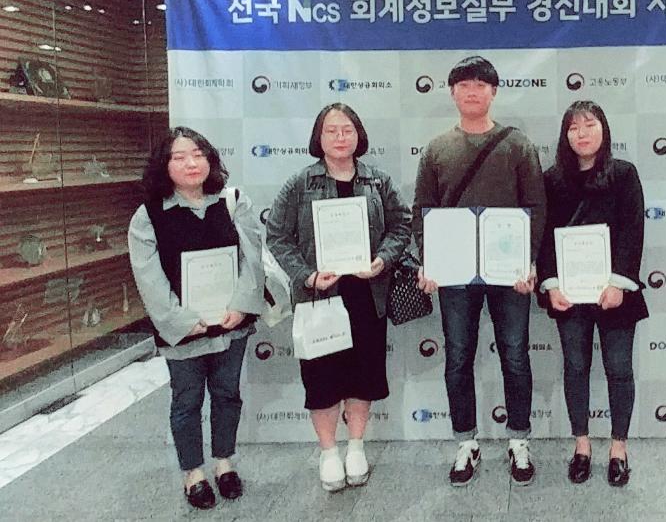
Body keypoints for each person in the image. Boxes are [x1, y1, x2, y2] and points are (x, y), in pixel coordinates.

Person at [413, 56, 546, 487]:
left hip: (509, 274)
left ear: (494, 92)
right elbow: (423, 210)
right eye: (464, 85)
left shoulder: (518, 146)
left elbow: (536, 207)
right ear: (452, 92)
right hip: (453, 274)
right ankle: (465, 442)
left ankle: (519, 439)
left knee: (516, 355)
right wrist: (429, 262)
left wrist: (529, 262)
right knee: (457, 357)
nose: (472, 91)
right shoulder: (437, 149)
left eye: (481, 84)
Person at [265, 103, 411, 492]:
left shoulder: (378, 180)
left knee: (364, 375)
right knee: (322, 379)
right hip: (319, 298)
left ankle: (356, 446)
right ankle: (329, 452)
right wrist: (307, 275)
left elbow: (401, 225)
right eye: (331, 130)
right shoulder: (300, 183)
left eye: (347, 129)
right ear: (319, 137)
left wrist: (383, 260)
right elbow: (277, 235)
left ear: (359, 135)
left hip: (367, 294)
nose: (340, 137)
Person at [128, 126, 264, 509]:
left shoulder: (233, 201)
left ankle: (224, 463)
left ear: (210, 160)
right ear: (164, 165)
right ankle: (193, 473)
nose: (191, 163)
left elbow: (252, 258)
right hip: (183, 331)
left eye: (198, 154)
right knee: (187, 401)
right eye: (179, 156)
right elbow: (149, 278)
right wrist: (183, 321)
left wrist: (242, 305)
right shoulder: (148, 216)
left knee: (227, 394)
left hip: (231, 323)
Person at [536, 100, 648, 487]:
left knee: (619, 368)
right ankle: (581, 446)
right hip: (570, 293)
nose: (582, 133)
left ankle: (619, 449)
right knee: (575, 366)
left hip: (615, 292)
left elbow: (633, 230)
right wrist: (551, 284)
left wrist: (619, 282)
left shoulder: (624, 174)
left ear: (604, 130)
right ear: (565, 135)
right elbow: (543, 237)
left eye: (589, 125)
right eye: (573, 127)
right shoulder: (551, 180)